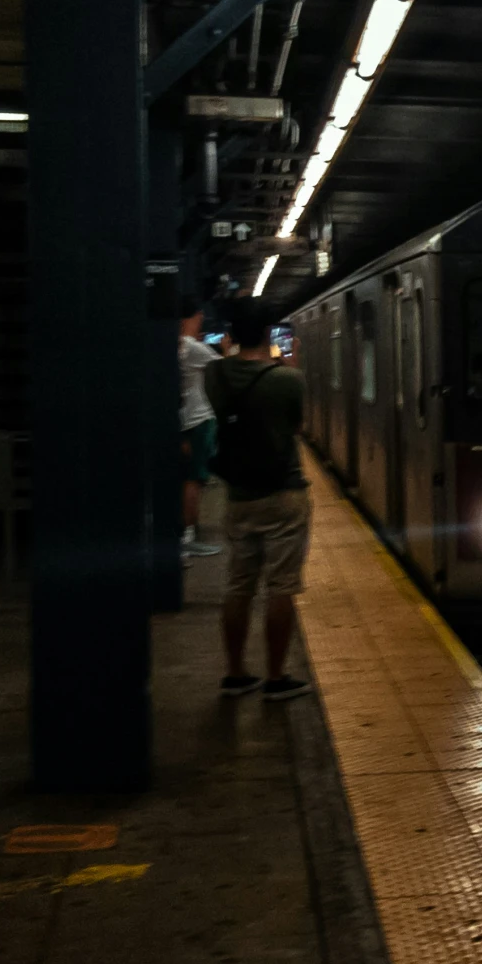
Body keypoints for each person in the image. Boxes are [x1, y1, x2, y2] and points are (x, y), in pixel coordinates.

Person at [207, 299, 311, 701]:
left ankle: (235, 673)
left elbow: (222, 375)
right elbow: (297, 427)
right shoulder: (288, 379)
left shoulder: (215, 374)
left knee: (239, 586)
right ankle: (275, 676)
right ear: (270, 334)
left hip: (239, 496)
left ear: (230, 336)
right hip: (284, 493)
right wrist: (290, 362)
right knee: (280, 586)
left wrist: (229, 352)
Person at [177, 299, 222, 561]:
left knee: (188, 478)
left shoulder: (178, 347)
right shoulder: (192, 347)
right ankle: (188, 537)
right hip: (199, 419)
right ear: (188, 319)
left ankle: (186, 534)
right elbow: (222, 365)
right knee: (195, 479)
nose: (200, 323)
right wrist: (224, 348)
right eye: (198, 319)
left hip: (185, 420)